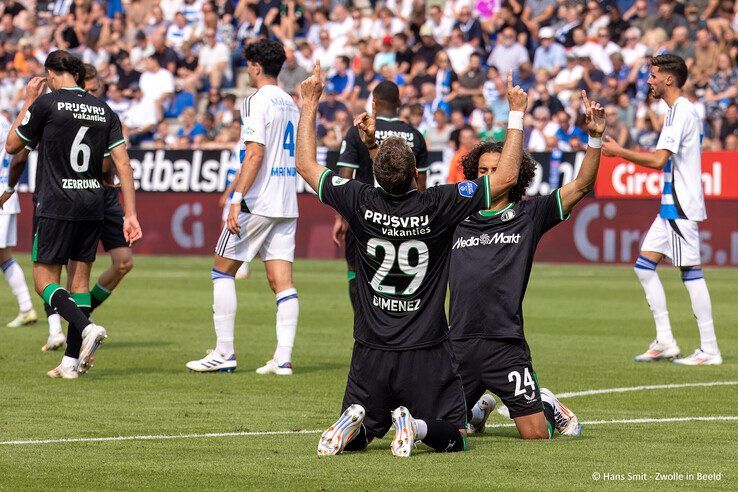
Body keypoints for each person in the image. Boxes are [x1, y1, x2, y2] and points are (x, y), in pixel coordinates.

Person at [297, 63, 526, 457]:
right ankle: (415, 426)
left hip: (371, 348)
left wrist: (309, 102)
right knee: (455, 434)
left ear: (376, 174)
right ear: (415, 172)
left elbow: (306, 164)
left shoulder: (359, 199)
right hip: (426, 350)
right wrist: (516, 113)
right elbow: (505, 178)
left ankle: (354, 426)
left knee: (368, 428)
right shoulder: (438, 202)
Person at [449, 90, 605, 440]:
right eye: (482, 170)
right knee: (447, 432)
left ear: (514, 174)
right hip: (458, 339)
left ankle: (548, 404)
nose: (488, 176)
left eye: (496, 170)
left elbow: (582, 185)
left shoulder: (529, 214)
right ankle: (476, 409)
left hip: (505, 342)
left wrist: (594, 137)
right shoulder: (457, 215)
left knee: (536, 435)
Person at [4, 50, 142, 378]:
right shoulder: (103, 109)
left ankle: (85, 327)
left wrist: (28, 100)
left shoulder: (46, 104)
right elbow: (123, 164)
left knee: (43, 281)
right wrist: (130, 214)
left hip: (56, 203)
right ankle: (69, 364)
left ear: (52, 75)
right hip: (93, 202)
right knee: (79, 282)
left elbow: (12, 146)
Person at [185, 39, 300, 375]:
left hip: (259, 200)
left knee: (222, 270)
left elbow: (255, 153)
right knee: (282, 282)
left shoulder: (255, 100)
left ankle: (224, 353)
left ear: (254, 66)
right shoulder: (290, 102)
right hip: (286, 200)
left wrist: (236, 199)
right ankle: (283, 358)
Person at [602, 54, 721, 365]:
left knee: (691, 273)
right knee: (644, 267)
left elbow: (657, 160)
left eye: (654, 75)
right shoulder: (675, 112)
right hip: (670, 205)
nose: (649, 80)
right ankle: (666, 340)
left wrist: (619, 153)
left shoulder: (682, 112)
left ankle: (709, 350)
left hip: (680, 204)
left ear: (669, 79)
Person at [332, 80, 429, 313]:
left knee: (356, 268)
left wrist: (339, 218)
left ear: (373, 102)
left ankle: (363, 322)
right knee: (398, 271)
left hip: (365, 213)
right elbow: (421, 187)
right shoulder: (414, 136)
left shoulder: (359, 132)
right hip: (404, 217)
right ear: (398, 103)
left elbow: (345, 176)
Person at [0, 112, 37, 329]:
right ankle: (26, 308)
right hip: (6, 193)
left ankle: (26, 308)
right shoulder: (5, 121)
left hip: (2, 196)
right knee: (4, 256)